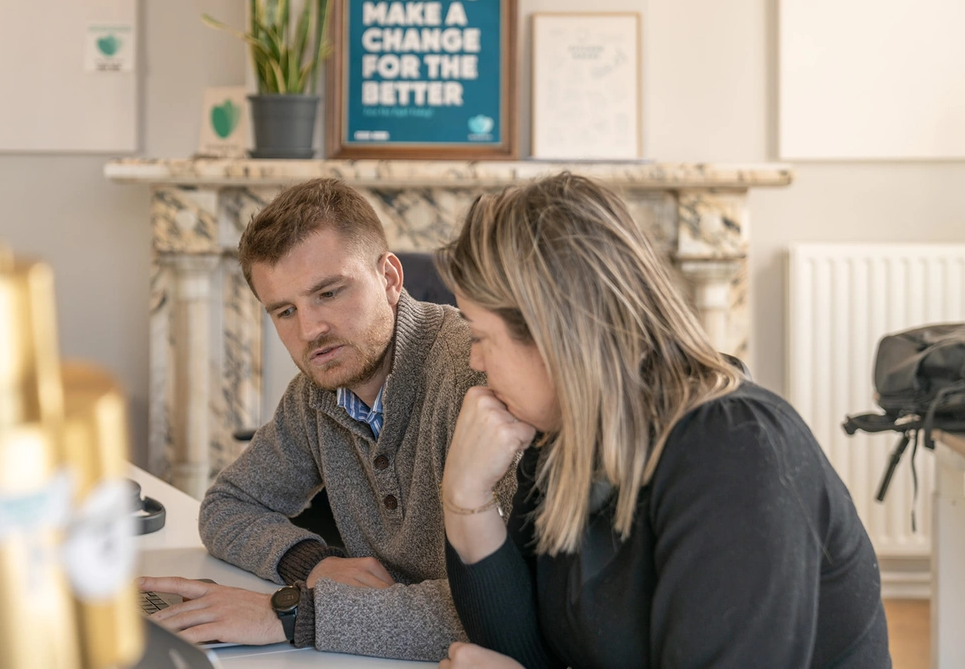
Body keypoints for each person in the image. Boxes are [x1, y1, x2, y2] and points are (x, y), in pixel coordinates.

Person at [434, 173, 891, 669]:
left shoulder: (736, 451)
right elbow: (523, 649)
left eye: (481, 336)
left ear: (555, 337)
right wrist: (465, 498)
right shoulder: (564, 440)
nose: (475, 361)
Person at [139, 178, 514, 661]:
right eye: (285, 311)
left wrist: (293, 613)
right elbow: (226, 507)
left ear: (390, 278)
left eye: (330, 293)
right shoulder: (315, 396)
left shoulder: (479, 375)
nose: (310, 330)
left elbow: (501, 611)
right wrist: (312, 564)